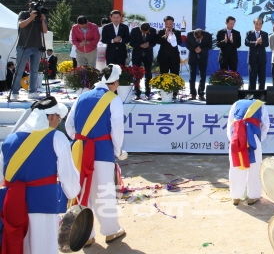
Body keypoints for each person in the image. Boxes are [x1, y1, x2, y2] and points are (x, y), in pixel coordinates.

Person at [0, 97, 80, 254]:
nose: (59, 121)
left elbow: (2, 177)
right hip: (43, 202)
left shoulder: (9, 139)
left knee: (19, 246)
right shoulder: (57, 137)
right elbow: (68, 174)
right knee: (44, 248)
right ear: (51, 117)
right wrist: (73, 191)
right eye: (58, 118)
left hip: (12, 205)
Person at [66, 65, 127, 245]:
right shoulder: (113, 99)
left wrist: (81, 140)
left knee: (82, 190)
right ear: (114, 83)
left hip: (80, 151)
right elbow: (117, 129)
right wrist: (118, 151)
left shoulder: (81, 97)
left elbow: (69, 126)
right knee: (104, 192)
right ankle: (111, 231)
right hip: (102, 150)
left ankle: (86, 235)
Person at [226, 98, 269, 206]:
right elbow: (265, 125)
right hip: (253, 138)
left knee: (236, 166)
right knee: (255, 168)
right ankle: (252, 197)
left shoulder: (236, 103)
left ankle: (236, 197)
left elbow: (230, 123)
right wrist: (259, 138)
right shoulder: (260, 105)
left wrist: (232, 138)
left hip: (236, 137)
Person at [10, 1, 48, 100]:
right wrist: (31, 18)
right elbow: (21, 25)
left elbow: (45, 31)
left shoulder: (40, 17)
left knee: (34, 71)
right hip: (23, 46)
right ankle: (14, 92)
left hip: (37, 47)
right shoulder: (24, 14)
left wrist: (42, 20)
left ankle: (32, 92)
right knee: (19, 70)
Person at [130, 22, 157, 99]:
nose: (145, 33)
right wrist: (140, 45)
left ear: (149, 29)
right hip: (137, 54)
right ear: (140, 29)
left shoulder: (153, 31)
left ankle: (148, 92)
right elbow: (131, 43)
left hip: (148, 55)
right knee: (136, 73)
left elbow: (154, 42)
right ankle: (137, 92)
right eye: (143, 32)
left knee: (148, 73)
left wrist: (149, 45)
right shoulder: (134, 31)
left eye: (146, 32)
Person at [186, 28, 212, 101]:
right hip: (193, 57)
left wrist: (201, 49)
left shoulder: (208, 35)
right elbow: (187, 45)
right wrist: (194, 49)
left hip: (203, 58)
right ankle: (193, 94)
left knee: (202, 76)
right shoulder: (189, 34)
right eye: (196, 39)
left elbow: (210, 46)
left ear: (203, 35)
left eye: (200, 38)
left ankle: (201, 94)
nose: (198, 40)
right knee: (192, 76)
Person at [245, 18, 269, 90]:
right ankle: (251, 93)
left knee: (262, 78)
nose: (258, 26)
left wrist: (261, 42)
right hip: (252, 59)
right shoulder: (249, 33)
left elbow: (267, 44)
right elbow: (247, 43)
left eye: (260, 24)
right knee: (252, 77)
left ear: (262, 25)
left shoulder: (265, 34)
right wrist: (256, 42)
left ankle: (261, 93)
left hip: (262, 59)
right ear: (254, 24)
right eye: (256, 24)